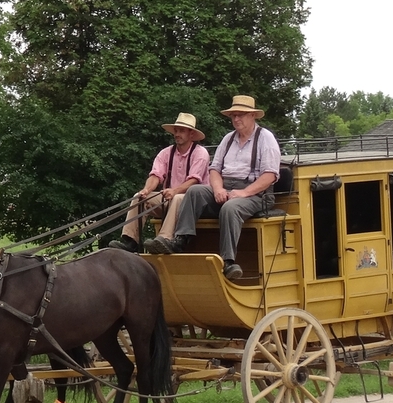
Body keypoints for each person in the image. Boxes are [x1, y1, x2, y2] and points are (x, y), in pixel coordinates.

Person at [146, 96, 280, 281]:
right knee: (194, 192)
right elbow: (215, 170)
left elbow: (270, 175)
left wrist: (243, 192)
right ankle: (181, 240)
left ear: (252, 116)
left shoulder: (266, 139)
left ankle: (229, 261)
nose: (236, 119)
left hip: (256, 193)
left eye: (240, 115)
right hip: (225, 188)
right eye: (233, 115)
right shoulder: (228, 139)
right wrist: (217, 189)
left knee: (230, 208)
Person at [110, 113, 210, 253]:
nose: (177, 134)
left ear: (191, 134)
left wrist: (174, 190)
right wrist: (146, 190)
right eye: (176, 130)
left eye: (182, 131)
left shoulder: (200, 153)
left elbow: (194, 180)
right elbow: (155, 175)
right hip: (170, 198)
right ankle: (130, 241)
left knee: (178, 197)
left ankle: (165, 239)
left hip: (192, 202)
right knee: (139, 197)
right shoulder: (165, 153)